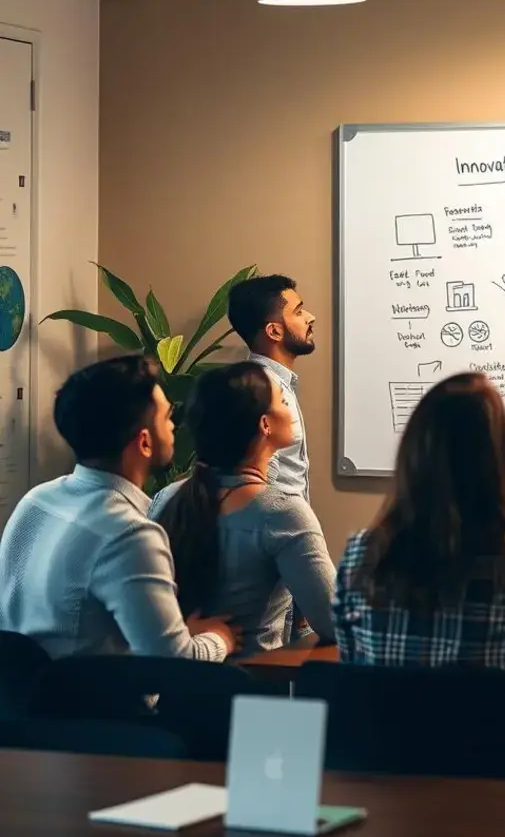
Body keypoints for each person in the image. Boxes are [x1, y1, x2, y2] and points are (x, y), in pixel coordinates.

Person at [333, 372, 505, 778]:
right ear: (499, 460)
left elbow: (358, 671)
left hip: (392, 797)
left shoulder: (359, 557)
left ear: (410, 455)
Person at [0, 356, 237, 660]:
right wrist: (219, 639)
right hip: (99, 706)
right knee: (274, 705)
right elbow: (173, 666)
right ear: (145, 442)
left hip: (19, 702)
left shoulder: (35, 501)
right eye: (167, 416)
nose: (173, 425)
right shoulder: (130, 534)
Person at [150, 362, 336, 656]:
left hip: (174, 695)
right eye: (283, 401)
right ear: (265, 424)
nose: (290, 409)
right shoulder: (281, 512)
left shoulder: (166, 498)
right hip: (254, 698)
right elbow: (335, 623)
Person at [227, 274, 315, 504]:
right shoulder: (263, 392)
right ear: (274, 332)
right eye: (298, 312)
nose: (310, 318)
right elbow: (262, 479)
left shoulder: (273, 384)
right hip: (279, 532)